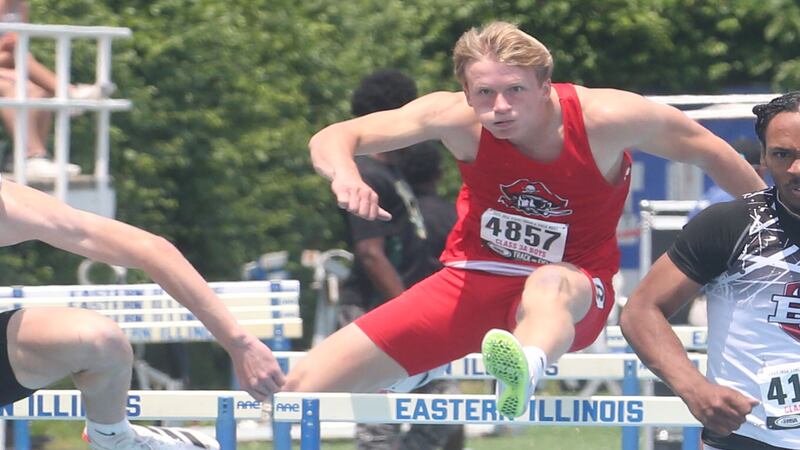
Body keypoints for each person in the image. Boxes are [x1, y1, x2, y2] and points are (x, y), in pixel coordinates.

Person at [288, 21, 766, 421]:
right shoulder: (455, 117)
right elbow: (337, 135)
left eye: (515, 90)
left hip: (572, 290)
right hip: (471, 279)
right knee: (298, 390)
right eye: (485, 93)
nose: (499, 108)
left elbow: (709, 150)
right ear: (466, 92)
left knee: (547, 283)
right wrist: (345, 174)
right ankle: (429, 363)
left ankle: (523, 369)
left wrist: (773, 228)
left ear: (544, 85)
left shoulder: (606, 117)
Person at [0, 177, 285, 449]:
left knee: (99, 339)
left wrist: (239, 342)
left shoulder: (10, 205)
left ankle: (112, 437)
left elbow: (149, 248)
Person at [620, 91, 800, 450]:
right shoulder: (731, 224)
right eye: (783, 155)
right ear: (763, 159)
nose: (796, 169)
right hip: (747, 439)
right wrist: (695, 389)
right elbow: (641, 311)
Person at [338, 69, 462, 450]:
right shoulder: (369, 174)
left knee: (444, 405)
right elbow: (370, 252)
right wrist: (408, 306)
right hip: (377, 306)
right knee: (379, 424)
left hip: (403, 302)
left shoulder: (394, 172)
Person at [0, 0, 106, 178]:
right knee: (14, 85)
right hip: (7, 65)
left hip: (10, 65)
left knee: (38, 90)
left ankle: (37, 157)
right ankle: (68, 92)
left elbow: (21, 44)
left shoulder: (22, 7)